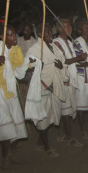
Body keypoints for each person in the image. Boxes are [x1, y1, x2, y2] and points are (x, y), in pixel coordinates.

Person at [0, 25, 30, 169]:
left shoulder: (16, 49)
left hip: (10, 91)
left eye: (15, 35)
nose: (14, 38)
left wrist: (30, 64)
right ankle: (5, 159)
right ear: (2, 37)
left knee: (17, 124)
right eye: (11, 35)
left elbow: (19, 68)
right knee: (6, 128)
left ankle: (11, 154)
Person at [26, 23, 68, 158]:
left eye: (51, 31)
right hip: (42, 87)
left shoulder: (53, 47)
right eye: (47, 32)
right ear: (39, 34)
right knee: (43, 119)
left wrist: (60, 65)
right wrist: (40, 67)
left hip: (54, 85)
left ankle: (40, 142)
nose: (51, 34)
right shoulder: (35, 49)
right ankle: (47, 147)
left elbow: (62, 60)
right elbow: (29, 68)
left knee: (50, 116)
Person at [53, 18, 86, 147]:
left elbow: (71, 61)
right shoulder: (57, 43)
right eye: (65, 27)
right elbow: (62, 62)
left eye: (70, 26)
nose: (69, 29)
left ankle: (61, 134)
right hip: (63, 81)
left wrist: (79, 58)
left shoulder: (69, 42)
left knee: (66, 110)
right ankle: (70, 137)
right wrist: (78, 57)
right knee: (66, 111)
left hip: (70, 79)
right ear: (60, 29)